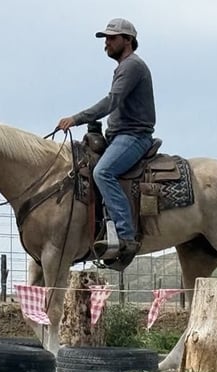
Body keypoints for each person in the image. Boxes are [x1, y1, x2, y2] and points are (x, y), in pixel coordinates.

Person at [57, 17, 156, 265]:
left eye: (112, 38)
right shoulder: (125, 66)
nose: (107, 43)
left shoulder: (132, 66)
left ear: (128, 40)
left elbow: (112, 101)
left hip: (134, 136)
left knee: (103, 172)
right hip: (118, 135)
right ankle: (102, 228)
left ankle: (125, 235)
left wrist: (77, 118)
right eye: (106, 39)